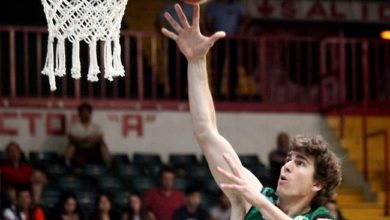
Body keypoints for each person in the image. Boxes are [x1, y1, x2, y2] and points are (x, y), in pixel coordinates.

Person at [161, 3, 342, 220]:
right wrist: (196, 62)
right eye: (289, 159)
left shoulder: (321, 218)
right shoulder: (254, 196)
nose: (287, 166)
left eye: (300, 163)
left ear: (318, 183)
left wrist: (258, 202)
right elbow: (206, 133)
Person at [204, 0, 246, 100]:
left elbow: (246, 18)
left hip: (233, 40)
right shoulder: (214, 6)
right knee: (217, 65)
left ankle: (232, 93)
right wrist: (212, 34)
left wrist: (240, 30)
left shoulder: (237, 5)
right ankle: (216, 92)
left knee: (233, 66)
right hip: (219, 40)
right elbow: (207, 22)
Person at [156, 0, 194, 99]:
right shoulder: (168, 6)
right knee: (172, 65)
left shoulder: (189, 7)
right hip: (172, 39)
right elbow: (158, 21)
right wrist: (163, 34)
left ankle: (184, 91)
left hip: (187, 41)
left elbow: (194, 25)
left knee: (185, 65)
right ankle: (173, 91)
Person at [64, 102, 111, 166]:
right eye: (83, 112)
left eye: (87, 112)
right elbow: (71, 137)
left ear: (90, 113)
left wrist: (91, 139)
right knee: (71, 144)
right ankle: (67, 163)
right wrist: (83, 140)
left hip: (93, 148)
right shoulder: (74, 126)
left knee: (102, 144)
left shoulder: (96, 126)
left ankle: (108, 164)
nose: (85, 114)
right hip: (79, 148)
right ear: (79, 114)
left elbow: (100, 136)